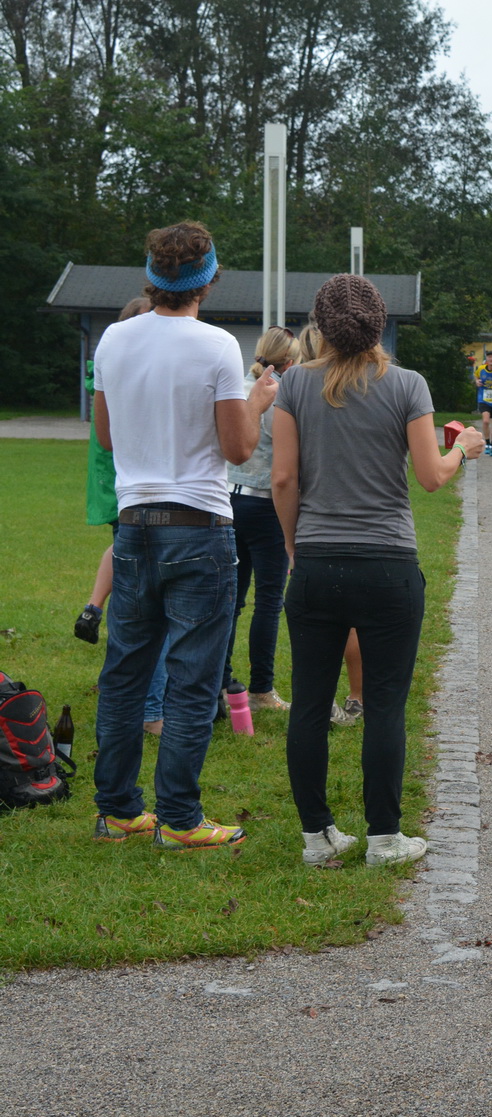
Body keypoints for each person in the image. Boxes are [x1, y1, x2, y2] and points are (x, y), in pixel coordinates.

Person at [273, 274, 482, 867]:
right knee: (385, 705)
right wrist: (464, 446)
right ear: (379, 324)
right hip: (388, 564)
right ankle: (385, 838)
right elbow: (432, 475)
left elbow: (283, 479)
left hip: (316, 562)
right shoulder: (407, 385)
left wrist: (295, 547)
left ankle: (317, 837)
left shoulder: (293, 387)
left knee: (311, 704)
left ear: (319, 325)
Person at [90, 220, 274, 850]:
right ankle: (181, 818)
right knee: (193, 679)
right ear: (208, 279)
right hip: (199, 524)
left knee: (125, 675)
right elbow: (238, 445)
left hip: (135, 524)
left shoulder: (113, 340)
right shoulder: (217, 346)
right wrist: (258, 400)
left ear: (151, 276)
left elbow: (107, 436)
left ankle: (116, 810)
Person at [222, 324, 300, 715]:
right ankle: (260, 689)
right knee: (269, 602)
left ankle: (221, 681)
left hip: (230, 501)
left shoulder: (237, 385)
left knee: (231, 601)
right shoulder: (282, 395)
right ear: (289, 361)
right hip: (266, 505)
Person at [75, 296, 152, 646]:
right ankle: (106, 619)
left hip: (122, 478)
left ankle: (94, 609)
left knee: (126, 551)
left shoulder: (118, 368)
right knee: (133, 564)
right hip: (125, 479)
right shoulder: (123, 371)